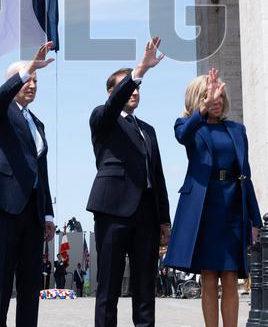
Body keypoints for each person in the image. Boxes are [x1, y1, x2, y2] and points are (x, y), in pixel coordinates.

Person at [164, 68, 261, 327]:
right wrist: (203, 110)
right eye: (209, 95)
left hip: (232, 205)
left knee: (230, 276)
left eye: (220, 95)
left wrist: (255, 220)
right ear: (198, 99)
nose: (216, 100)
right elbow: (182, 136)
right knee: (209, 276)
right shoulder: (188, 126)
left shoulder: (237, 130)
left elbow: (246, 175)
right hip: (205, 208)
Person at [86, 37, 170, 327]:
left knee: (145, 287)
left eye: (137, 89)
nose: (135, 92)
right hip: (112, 212)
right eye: (128, 88)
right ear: (113, 92)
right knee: (108, 286)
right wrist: (139, 71)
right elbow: (111, 108)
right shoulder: (102, 117)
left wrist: (164, 219)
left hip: (146, 214)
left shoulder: (148, 130)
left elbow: (157, 177)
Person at [0, 42, 56, 327]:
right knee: (0, 284)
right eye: (28, 78)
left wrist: (48, 213)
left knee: (29, 288)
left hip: (33, 214)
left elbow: (42, 171)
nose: (33, 83)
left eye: (37, 80)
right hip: (4, 208)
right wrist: (27, 70)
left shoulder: (38, 124)